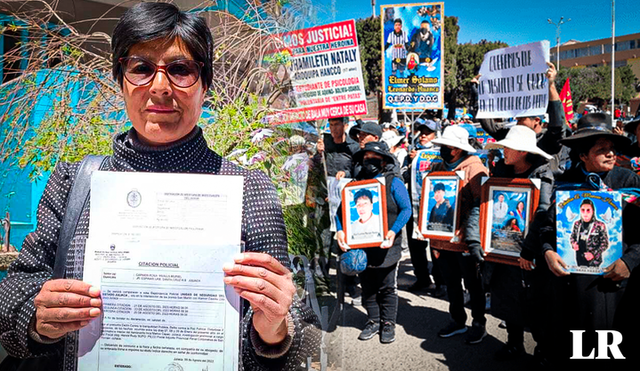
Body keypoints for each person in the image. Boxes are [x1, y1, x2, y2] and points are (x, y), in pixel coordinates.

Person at [0, 4, 319, 370]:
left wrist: (274, 329)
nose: (160, 87)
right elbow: (16, 287)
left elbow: (296, 332)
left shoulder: (249, 191)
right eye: (141, 68)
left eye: (180, 70)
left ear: (205, 85)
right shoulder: (75, 182)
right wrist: (39, 317)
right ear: (121, 79)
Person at [535, 113, 640, 365]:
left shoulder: (630, 182)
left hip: (614, 285)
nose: (611, 154)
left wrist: (630, 261)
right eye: (602, 149)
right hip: (571, 287)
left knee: (609, 347)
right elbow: (546, 227)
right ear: (582, 155)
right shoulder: (565, 183)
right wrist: (548, 251)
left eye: (612, 148)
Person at [483, 125, 554, 361]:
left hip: (530, 252)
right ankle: (514, 343)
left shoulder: (543, 175)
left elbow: (542, 214)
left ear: (522, 151)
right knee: (508, 298)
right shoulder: (502, 172)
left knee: (535, 303)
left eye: (508, 147)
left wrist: (530, 249)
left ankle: (543, 349)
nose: (503, 150)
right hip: (504, 250)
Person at [336, 142, 411, 344]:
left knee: (387, 286)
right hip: (363, 246)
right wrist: (341, 231)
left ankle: (388, 323)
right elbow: (339, 213)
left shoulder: (393, 182)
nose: (369, 161)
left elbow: (406, 209)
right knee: (367, 285)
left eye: (374, 157)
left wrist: (393, 232)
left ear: (384, 160)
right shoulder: (356, 185)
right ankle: (373, 320)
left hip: (387, 245)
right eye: (366, 157)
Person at [429, 125, 490, 344]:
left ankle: (478, 322)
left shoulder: (476, 169)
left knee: (473, 284)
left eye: (447, 145)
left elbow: (481, 204)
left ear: (457, 148)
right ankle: (457, 320)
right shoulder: (438, 166)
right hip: (442, 239)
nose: (443, 149)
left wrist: (470, 234)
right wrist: (432, 238)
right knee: (451, 282)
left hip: (464, 241)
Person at [472, 62, 570, 175]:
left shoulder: (547, 141)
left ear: (536, 121)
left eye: (521, 119)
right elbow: (491, 127)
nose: (516, 123)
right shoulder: (512, 135)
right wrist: (479, 96)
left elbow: (557, 126)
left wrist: (551, 86)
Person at [403, 119, 445, 296]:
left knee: (436, 245)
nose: (424, 136)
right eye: (422, 132)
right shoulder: (412, 153)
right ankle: (422, 278)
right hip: (415, 207)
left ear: (436, 135)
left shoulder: (441, 154)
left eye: (428, 132)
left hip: (435, 207)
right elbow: (404, 175)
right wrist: (411, 165)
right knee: (416, 245)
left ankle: (441, 282)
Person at [569, 199, 608, 267]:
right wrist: (573, 244)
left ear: (593, 211)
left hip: (594, 261)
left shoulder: (599, 225)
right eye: (583, 210)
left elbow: (604, 244)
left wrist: (593, 254)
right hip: (579, 258)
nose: (585, 213)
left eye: (588, 210)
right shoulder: (577, 224)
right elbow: (572, 237)